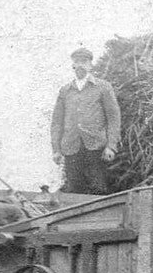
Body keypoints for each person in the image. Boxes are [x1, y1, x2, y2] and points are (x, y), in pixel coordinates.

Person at [50, 47, 121, 195]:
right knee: (74, 189)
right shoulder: (65, 90)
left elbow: (113, 118)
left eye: (84, 61)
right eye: (77, 61)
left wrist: (111, 146)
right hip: (71, 147)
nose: (80, 65)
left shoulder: (103, 87)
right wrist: (56, 149)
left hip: (96, 147)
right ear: (73, 65)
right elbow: (57, 122)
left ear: (90, 65)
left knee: (99, 188)